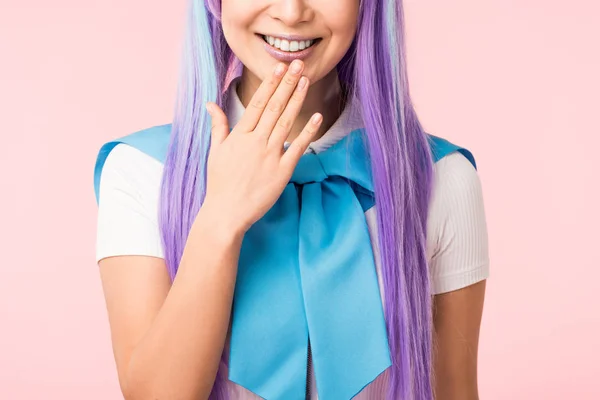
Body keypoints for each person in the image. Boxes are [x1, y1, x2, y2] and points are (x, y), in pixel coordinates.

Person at [93, 1, 489, 399]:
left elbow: (454, 391)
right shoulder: (144, 172)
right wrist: (220, 220)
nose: (290, 11)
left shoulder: (442, 179)